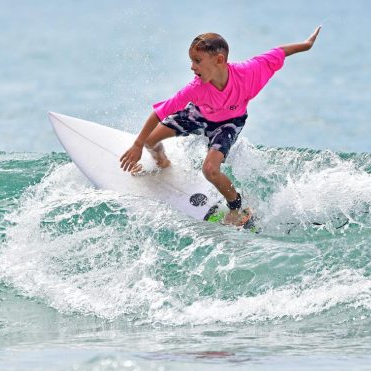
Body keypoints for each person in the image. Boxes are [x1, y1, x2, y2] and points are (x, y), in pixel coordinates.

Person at [120, 26, 321, 226]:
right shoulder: (195, 88)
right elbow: (159, 112)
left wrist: (307, 44)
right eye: (191, 61)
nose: (192, 67)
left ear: (219, 60)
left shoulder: (248, 72)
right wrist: (138, 145)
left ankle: (237, 207)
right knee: (149, 140)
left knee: (210, 170)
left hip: (229, 123)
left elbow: (279, 52)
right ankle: (163, 163)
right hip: (200, 113)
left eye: (197, 61)